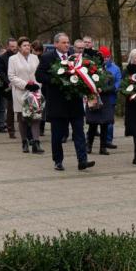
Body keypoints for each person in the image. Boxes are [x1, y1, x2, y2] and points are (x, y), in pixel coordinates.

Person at [35, 32, 94, 171]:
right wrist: (56, 80)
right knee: (57, 135)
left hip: (75, 102)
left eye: (68, 42)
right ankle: (58, 160)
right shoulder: (47, 57)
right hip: (57, 103)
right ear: (56, 44)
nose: (67, 45)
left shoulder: (76, 57)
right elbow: (39, 76)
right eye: (64, 42)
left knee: (79, 132)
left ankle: (82, 160)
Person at [7, 37, 44, 154]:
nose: (27, 47)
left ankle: (36, 142)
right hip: (20, 91)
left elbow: (39, 73)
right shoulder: (13, 59)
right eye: (24, 45)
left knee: (36, 117)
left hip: (34, 92)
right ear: (19, 47)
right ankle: (24, 141)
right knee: (22, 118)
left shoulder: (35, 57)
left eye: (28, 45)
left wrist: (37, 85)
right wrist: (26, 85)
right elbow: (11, 76)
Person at [85, 47, 118, 156]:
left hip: (105, 100)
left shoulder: (108, 73)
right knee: (93, 125)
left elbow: (112, 86)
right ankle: (88, 145)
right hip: (93, 98)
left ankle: (103, 147)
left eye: (103, 58)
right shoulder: (90, 71)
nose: (102, 60)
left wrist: (103, 89)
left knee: (104, 124)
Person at [98, 46, 121, 149]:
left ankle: (108, 140)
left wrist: (112, 89)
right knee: (94, 121)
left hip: (110, 98)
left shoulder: (116, 69)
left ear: (110, 57)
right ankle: (89, 140)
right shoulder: (96, 67)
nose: (105, 59)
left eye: (107, 57)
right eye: (103, 57)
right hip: (97, 97)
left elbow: (118, 82)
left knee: (109, 121)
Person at [0, 38, 19, 138]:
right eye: (12, 47)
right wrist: (8, 81)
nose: (14, 48)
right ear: (7, 47)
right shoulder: (2, 58)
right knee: (10, 109)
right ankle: (11, 129)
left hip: (20, 84)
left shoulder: (20, 56)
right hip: (10, 86)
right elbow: (1, 72)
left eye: (16, 46)